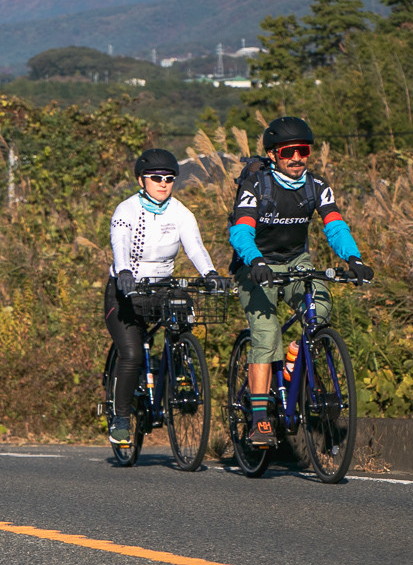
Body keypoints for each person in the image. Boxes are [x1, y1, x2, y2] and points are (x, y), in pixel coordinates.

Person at [228, 117, 373, 448]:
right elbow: (240, 231)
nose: (297, 158)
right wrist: (255, 260)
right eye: (289, 152)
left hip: (296, 262)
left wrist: (354, 258)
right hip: (256, 265)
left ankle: (296, 351)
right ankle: (261, 420)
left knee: (320, 308)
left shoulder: (316, 187)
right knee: (266, 336)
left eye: (303, 151)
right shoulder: (258, 186)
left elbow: (335, 226)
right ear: (275, 155)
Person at [104, 148, 231, 445]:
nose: (163, 183)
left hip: (159, 289)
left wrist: (210, 274)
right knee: (132, 354)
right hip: (126, 292)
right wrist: (123, 271)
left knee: (183, 308)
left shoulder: (181, 213)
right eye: (156, 178)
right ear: (141, 180)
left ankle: (180, 372)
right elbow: (119, 242)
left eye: (169, 178)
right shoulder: (126, 210)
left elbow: (196, 248)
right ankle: (121, 419)